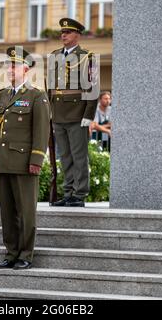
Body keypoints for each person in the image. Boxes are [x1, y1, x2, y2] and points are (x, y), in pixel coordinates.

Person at [0, 46, 50, 270]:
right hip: (3, 161)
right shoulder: (2, 95)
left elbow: (41, 131)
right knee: (7, 211)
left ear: (26, 69)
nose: (10, 69)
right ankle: (11, 252)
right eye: (8, 65)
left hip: (24, 163)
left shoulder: (36, 95)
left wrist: (36, 160)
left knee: (25, 211)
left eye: (14, 65)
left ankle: (26, 253)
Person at [49, 18, 97, 207]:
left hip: (77, 114)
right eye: (62, 32)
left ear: (77, 35)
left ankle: (79, 194)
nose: (64, 35)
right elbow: (50, 87)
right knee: (65, 156)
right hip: (58, 114)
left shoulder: (87, 56)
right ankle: (68, 192)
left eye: (68, 32)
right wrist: (50, 112)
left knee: (79, 156)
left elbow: (92, 89)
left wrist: (88, 116)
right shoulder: (54, 56)